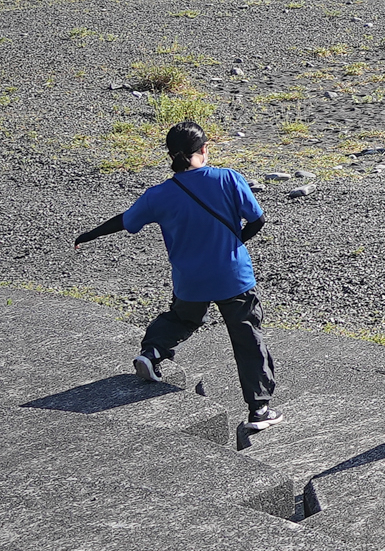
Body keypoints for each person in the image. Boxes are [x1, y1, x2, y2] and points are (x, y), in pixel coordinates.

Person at [74, 120, 280, 431]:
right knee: (247, 338)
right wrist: (234, 242)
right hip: (232, 275)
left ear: (172, 155)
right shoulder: (228, 178)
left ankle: (153, 351)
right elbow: (258, 220)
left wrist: (89, 234)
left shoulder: (159, 195)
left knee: (182, 318)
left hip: (190, 279)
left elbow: (125, 220)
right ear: (204, 150)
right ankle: (259, 410)